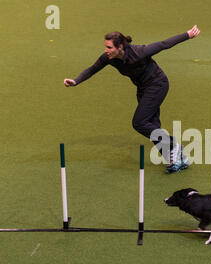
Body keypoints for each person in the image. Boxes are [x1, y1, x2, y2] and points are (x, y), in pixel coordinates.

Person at [64, 25, 201, 173]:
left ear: (120, 47)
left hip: (157, 84)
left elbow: (163, 44)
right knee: (152, 124)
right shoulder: (109, 58)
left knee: (140, 122)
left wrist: (187, 35)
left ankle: (173, 145)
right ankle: (178, 159)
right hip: (143, 88)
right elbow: (92, 69)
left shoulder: (139, 52)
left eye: (109, 47)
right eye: (106, 47)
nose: (106, 50)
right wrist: (76, 81)